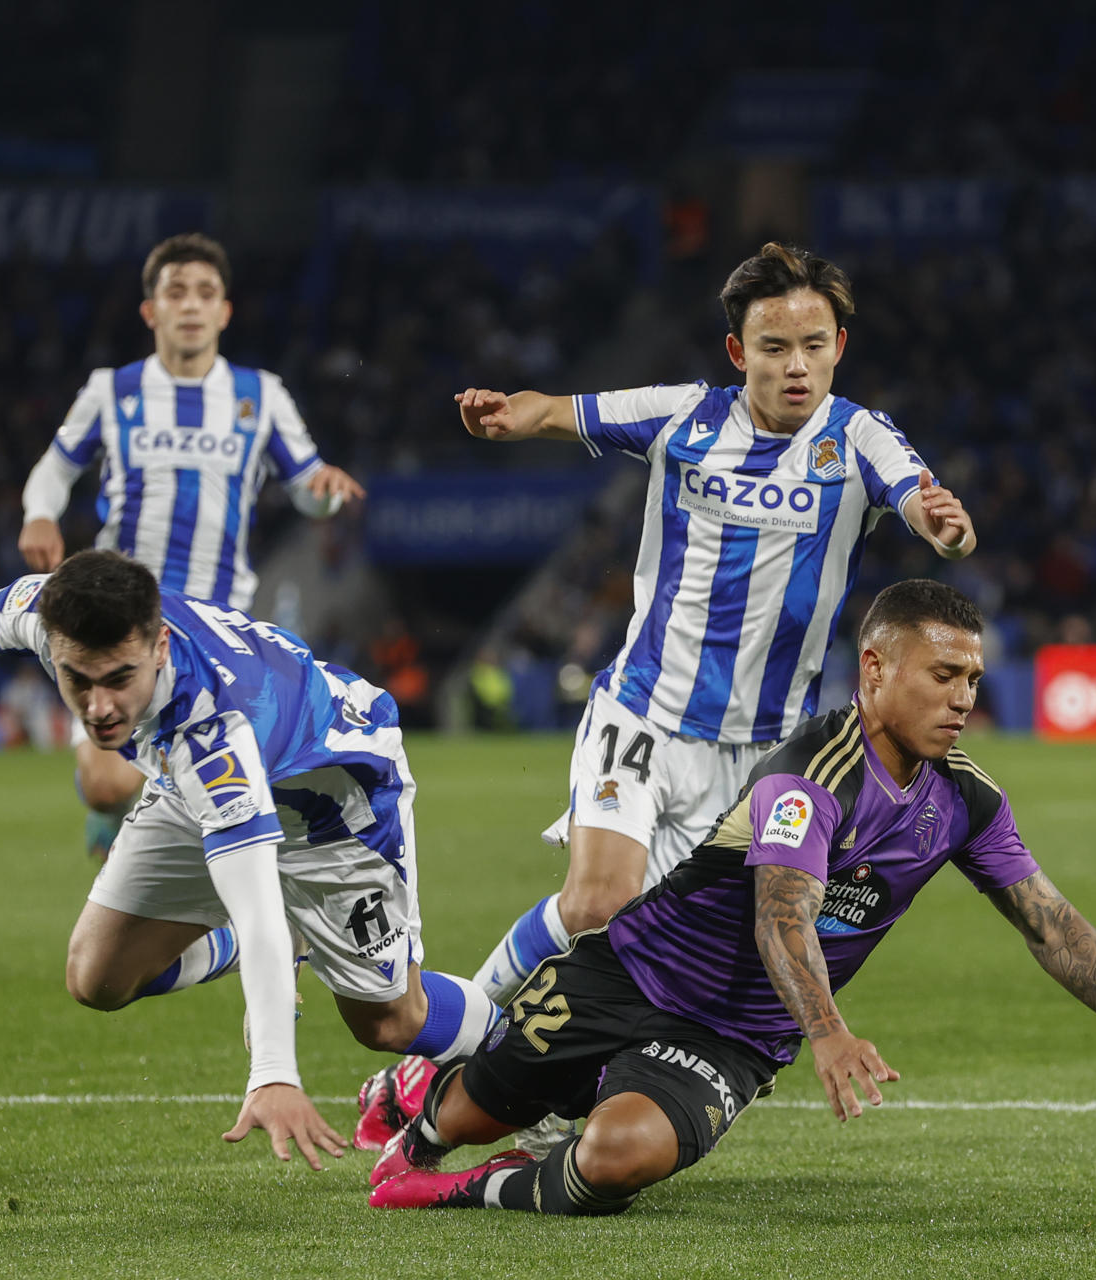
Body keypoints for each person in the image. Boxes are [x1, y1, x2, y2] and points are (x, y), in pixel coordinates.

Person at [354, 241, 977, 1151]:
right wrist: (508, 417)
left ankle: (542, 1088)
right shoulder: (684, 417)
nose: (793, 364)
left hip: (766, 755)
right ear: (739, 353)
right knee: (597, 901)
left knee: (658, 950)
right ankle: (442, 1054)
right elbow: (560, 410)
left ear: (839, 344)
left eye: (811, 344)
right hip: (644, 715)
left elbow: (921, 498)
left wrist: (944, 528)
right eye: (772, 346)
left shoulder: (860, 438)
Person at [358, 580, 1096, 1214]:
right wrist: (828, 1033)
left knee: (616, 1158)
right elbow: (780, 911)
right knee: (461, 1113)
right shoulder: (811, 775)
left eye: (972, 680)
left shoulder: (969, 801)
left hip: (733, 1036)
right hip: (628, 976)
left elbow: (1051, 924)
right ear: (874, 670)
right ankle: (424, 1103)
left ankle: (462, 1189)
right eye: (942, 676)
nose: (963, 699)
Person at [0, 550, 497, 1171]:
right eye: (76, 680)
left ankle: (538, 1041)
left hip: (329, 800)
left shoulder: (213, 731)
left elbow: (257, 902)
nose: (98, 708)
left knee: (390, 1021)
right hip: (194, 782)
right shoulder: (50, 614)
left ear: (158, 646)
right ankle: (294, 944)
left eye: (120, 678)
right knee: (96, 978)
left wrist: (274, 1074)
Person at [16, 233, 365, 860]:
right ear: (151, 311)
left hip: (215, 621)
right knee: (103, 787)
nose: (191, 306)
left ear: (225, 311)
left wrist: (328, 494)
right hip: (120, 617)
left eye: (206, 293)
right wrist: (40, 514)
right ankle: (114, 810)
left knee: (229, 786)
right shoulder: (111, 391)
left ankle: (186, 872)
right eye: (176, 292)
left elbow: (307, 487)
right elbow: (54, 469)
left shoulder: (260, 396)